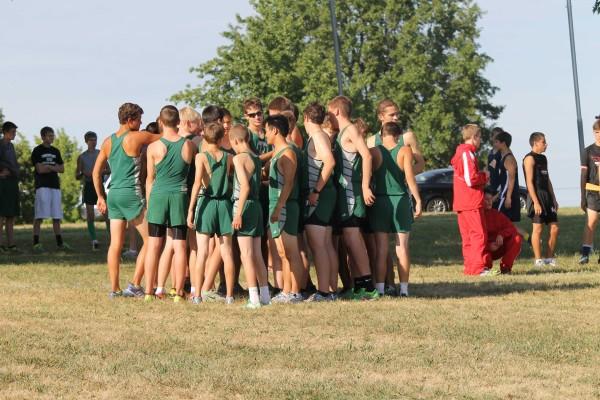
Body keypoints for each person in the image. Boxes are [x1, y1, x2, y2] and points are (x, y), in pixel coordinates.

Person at [93, 103, 160, 298]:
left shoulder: (108, 142)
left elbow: (96, 172)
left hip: (113, 195)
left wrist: (100, 196)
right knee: (151, 239)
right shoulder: (136, 136)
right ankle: (135, 285)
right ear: (130, 120)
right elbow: (166, 137)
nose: (141, 124)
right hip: (131, 193)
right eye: (139, 119)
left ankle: (114, 289)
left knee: (115, 244)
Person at [328, 95, 378, 300]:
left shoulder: (351, 130)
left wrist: (365, 186)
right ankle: (358, 286)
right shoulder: (341, 133)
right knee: (349, 242)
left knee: (353, 238)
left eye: (329, 112)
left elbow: (366, 155)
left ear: (337, 111)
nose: (328, 116)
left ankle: (368, 286)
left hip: (351, 194)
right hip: (343, 194)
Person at [144, 105, 196, 302]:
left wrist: (149, 203)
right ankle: (178, 291)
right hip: (179, 195)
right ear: (179, 122)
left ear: (160, 122)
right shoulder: (189, 146)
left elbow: (149, 179)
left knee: (154, 245)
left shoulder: (153, 147)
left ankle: (149, 292)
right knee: (180, 245)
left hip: (158, 195)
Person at [368, 122, 422, 296]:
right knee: (402, 248)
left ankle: (380, 289)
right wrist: (418, 200)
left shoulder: (374, 151)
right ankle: (404, 290)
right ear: (398, 135)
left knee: (381, 249)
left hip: (380, 202)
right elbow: (410, 177)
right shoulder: (405, 150)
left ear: (382, 134)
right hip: (399, 200)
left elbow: (368, 177)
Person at [187, 122, 236, 304]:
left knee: (202, 252)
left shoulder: (201, 157)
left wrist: (191, 209)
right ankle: (230, 296)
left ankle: (198, 295)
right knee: (227, 252)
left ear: (205, 138)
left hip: (207, 203)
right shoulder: (229, 157)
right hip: (224, 205)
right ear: (222, 137)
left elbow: (197, 183)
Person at [230, 124, 271, 308]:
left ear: (236, 140)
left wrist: (238, 213)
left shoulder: (239, 159)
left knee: (246, 254)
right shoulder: (255, 158)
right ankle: (265, 296)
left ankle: (253, 297)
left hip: (244, 204)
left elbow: (244, 186)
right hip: (257, 206)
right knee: (257, 254)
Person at [264, 114, 304, 303]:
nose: (265, 135)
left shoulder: (287, 153)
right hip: (277, 206)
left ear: (274, 130)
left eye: (266, 131)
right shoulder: (278, 152)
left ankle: (295, 292)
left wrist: (279, 207)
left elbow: (288, 183)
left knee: (291, 251)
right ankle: (287, 290)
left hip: (285, 207)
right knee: (282, 253)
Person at [301, 102, 338, 301]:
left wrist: (316, 190)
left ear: (306, 118)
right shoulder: (321, 135)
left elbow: (329, 161)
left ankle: (324, 291)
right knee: (326, 244)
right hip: (327, 193)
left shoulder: (317, 136)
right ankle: (330, 289)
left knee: (319, 246)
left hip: (321, 194)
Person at [450, 124, 491, 275]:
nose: (481, 141)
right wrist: (485, 176)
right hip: (470, 201)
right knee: (478, 235)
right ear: (474, 137)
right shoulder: (467, 154)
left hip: (463, 202)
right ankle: (479, 268)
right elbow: (471, 179)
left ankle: (471, 267)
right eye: (480, 138)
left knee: (468, 237)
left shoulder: (463, 153)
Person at [523, 132, 559, 267]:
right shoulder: (529, 159)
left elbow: (547, 179)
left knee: (555, 228)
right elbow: (529, 183)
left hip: (547, 196)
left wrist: (554, 199)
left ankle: (549, 258)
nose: (546, 144)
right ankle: (538, 260)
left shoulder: (543, 158)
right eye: (543, 142)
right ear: (535, 143)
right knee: (538, 229)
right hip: (536, 196)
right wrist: (536, 202)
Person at [31, 126, 70, 251]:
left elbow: (62, 169)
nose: (51, 137)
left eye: (52, 135)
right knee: (39, 216)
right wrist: (54, 167)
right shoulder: (37, 151)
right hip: (42, 186)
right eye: (49, 135)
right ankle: (36, 243)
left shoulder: (56, 151)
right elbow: (40, 170)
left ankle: (60, 243)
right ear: (42, 137)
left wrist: (49, 167)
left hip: (55, 186)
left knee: (56, 216)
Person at [367, 99, 425, 174]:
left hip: (401, 185)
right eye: (392, 115)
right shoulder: (371, 141)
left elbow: (421, 164)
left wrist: (405, 176)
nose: (396, 118)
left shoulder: (407, 137)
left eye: (397, 114)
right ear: (381, 116)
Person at [483, 189, 522, 274]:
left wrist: (502, 235)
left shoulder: (496, 214)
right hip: (484, 249)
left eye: (491, 199)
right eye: (486, 199)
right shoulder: (477, 216)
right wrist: (488, 246)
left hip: (498, 246)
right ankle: (484, 268)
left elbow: (511, 227)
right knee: (483, 255)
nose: (489, 202)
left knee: (517, 238)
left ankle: (506, 267)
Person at [76, 131, 103, 250]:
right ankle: (94, 240)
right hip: (88, 185)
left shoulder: (101, 153)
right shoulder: (82, 157)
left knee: (106, 214)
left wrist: (98, 173)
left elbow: (108, 170)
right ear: (86, 141)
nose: (94, 142)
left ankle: (113, 239)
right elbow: (77, 174)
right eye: (91, 140)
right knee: (90, 215)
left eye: (95, 139)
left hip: (100, 185)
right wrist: (83, 173)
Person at [579, 117, 600, 264]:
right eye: (596, 132)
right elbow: (583, 175)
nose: (598, 134)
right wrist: (582, 197)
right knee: (591, 222)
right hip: (592, 191)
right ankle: (585, 254)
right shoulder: (587, 151)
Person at [0, 121, 20, 252]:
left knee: (11, 215)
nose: (14, 134)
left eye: (15, 132)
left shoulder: (11, 146)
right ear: (5, 132)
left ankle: (11, 245)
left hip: (13, 181)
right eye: (12, 132)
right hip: (2, 183)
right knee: (1, 215)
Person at [492, 130, 520, 222]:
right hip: (503, 194)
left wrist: (508, 198)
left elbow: (511, 180)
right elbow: (504, 180)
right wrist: (497, 195)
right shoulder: (502, 155)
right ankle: (527, 237)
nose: (494, 144)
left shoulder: (509, 159)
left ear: (503, 143)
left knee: (499, 221)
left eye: (496, 142)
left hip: (508, 196)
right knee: (507, 225)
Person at [487, 127, 504, 195]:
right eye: (496, 136)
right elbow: (488, 167)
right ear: (492, 137)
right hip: (490, 186)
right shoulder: (490, 152)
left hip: (499, 187)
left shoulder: (503, 153)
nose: (498, 138)